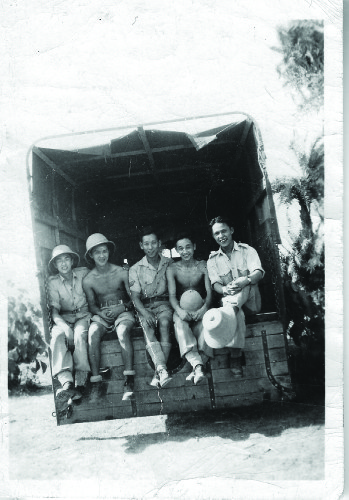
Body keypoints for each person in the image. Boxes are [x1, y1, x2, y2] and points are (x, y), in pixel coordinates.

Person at [206, 216, 264, 377]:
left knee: (244, 283)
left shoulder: (247, 250)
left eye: (223, 231)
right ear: (213, 236)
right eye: (217, 233)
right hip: (230, 301)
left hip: (251, 300)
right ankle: (236, 357)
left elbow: (258, 273)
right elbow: (215, 284)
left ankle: (232, 308)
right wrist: (225, 289)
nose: (221, 236)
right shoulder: (212, 260)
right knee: (235, 313)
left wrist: (244, 281)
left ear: (231, 230)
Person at [82, 233, 136, 401]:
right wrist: (99, 313)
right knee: (92, 333)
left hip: (123, 311)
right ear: (91, 255)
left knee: (122, 332)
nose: (101, 255)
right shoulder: (88, 279)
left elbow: (134, 298)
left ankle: (129, 380)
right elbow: (92, 305)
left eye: (104, 251)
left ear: (109, 252)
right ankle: (97, 382)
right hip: (103, 314)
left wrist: (123, 307)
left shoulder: (121, 272)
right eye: (97, 252)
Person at [47, 245, 91, 406]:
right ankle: (66, 382)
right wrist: (65, 328)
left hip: (83, 314)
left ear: (72, 261)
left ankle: (80, 381)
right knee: (57, 335)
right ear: (55, 265)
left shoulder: (83, 273)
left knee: (80, 334)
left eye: (66, 259)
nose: (63, 263)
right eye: (59, 261)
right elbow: (54, 312)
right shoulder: (53, 282)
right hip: (63, 317)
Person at [129, 227, 173, 388]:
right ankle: (162, 369)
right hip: (145, 306)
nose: (150, 247)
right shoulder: (135, 268)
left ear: (159, 244)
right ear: (141, 245)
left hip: (164, 304)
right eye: (146, 244)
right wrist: (144, 313)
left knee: (165, 324)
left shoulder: (169, 263)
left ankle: (159, 371)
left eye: (153, 243)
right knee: (147, 326)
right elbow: (134, 297)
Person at [166, 234, 213, 385]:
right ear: (177, 250)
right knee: (180, 326)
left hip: (201, 308)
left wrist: (205, 308)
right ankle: (198, 365)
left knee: (206, 328)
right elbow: (172, 296)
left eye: (188, 247)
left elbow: (209, 292)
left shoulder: (203, 265)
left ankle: (197, 367)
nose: (185, 251)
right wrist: (179, 311)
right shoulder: (172, 268)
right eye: (181, 248)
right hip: (182, 310)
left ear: (194, 247)